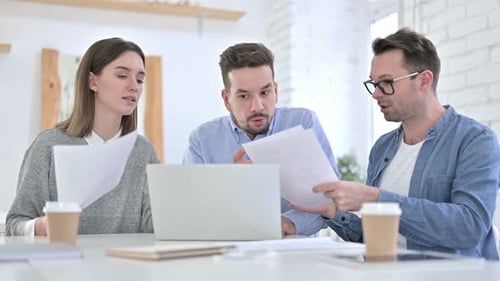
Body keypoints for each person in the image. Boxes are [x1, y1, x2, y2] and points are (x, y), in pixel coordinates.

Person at [293, 28, 500, 260]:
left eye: (387, 83)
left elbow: (469, 227)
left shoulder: (475, 140)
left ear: (424, 80)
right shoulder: (383, 147)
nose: (376, 94)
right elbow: (379, 240)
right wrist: (335, 214)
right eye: (374, 84)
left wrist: (375, 198)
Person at [5, 37, 159, 236]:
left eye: (139, 79)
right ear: (92, 81)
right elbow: (15, 224)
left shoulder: (143, 151)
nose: (134, 87)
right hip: (63, 265)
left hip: (127, 266)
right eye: (122, 75)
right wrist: (43, 226)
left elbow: (154, 228)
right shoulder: (48, 145)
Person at [183, 42, 340, 236]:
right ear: (226, 99)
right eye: (244, 96)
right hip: (228, 253)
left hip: (297, 253)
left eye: (265, 93)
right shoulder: (202, 140)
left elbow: (331, 198)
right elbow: (193, 211)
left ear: (276, 91)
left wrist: (288, 222)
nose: (257, 106)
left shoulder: (303, 123)